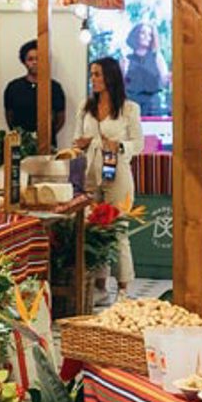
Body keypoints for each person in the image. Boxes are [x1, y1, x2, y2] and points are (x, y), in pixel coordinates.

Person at [74, 56, 143, 296]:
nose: (93, 79)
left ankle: (123, 286)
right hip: (90, 172)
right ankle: (98, 285)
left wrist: (120, 146)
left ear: (110, 77)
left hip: (118, 172)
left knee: (118, 228)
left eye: (97, 74)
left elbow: (138, 143)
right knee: (94, 228)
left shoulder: (129, 108)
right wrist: (82, 143)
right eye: (91, 74)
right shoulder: (85, 107)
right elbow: (75, 139)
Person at [3, 39, 66, 139]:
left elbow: (60, 118)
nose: (34, 62)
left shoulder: (54, 88)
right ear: (24, 62)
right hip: (20, 143)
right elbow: (9, 116)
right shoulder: (13, 87)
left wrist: (46, 136)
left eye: (38, 58)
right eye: (30, 59)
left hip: (48, 144)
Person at [124, 22, 169, 117]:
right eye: (143, 33)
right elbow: (119, 86)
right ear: (136, 35)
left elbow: (165, 81)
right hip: (132, 105)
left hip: (152, 106)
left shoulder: (157, 57)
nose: (146, 37)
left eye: (150, 35)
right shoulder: (126, 60)